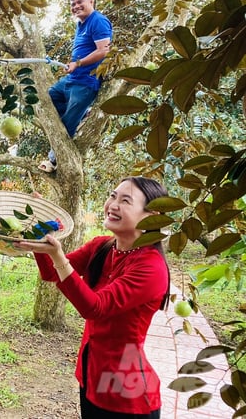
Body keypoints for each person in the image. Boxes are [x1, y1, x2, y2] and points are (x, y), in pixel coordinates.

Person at [14, 177, 170, 418]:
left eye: (125, 201)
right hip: (92, 374)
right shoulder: (102, 246)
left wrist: (58, 256)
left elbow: (94, 308)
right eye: (112, 195)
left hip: (127, 394)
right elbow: (51, 273)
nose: (113, 204)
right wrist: (38, 235)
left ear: (152, 216)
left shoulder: (151, 268)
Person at [39, 0, 113, 173]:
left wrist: (78, 63)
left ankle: (52, 160)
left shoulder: (98, 21)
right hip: (72, 79)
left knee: (66, 125)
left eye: (80, 2)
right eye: (73, 4)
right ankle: (81, 114)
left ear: (91, 1)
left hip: (85, 83)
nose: (76, 6)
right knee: (48, 98)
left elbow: (104, 50)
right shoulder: (81, 24)